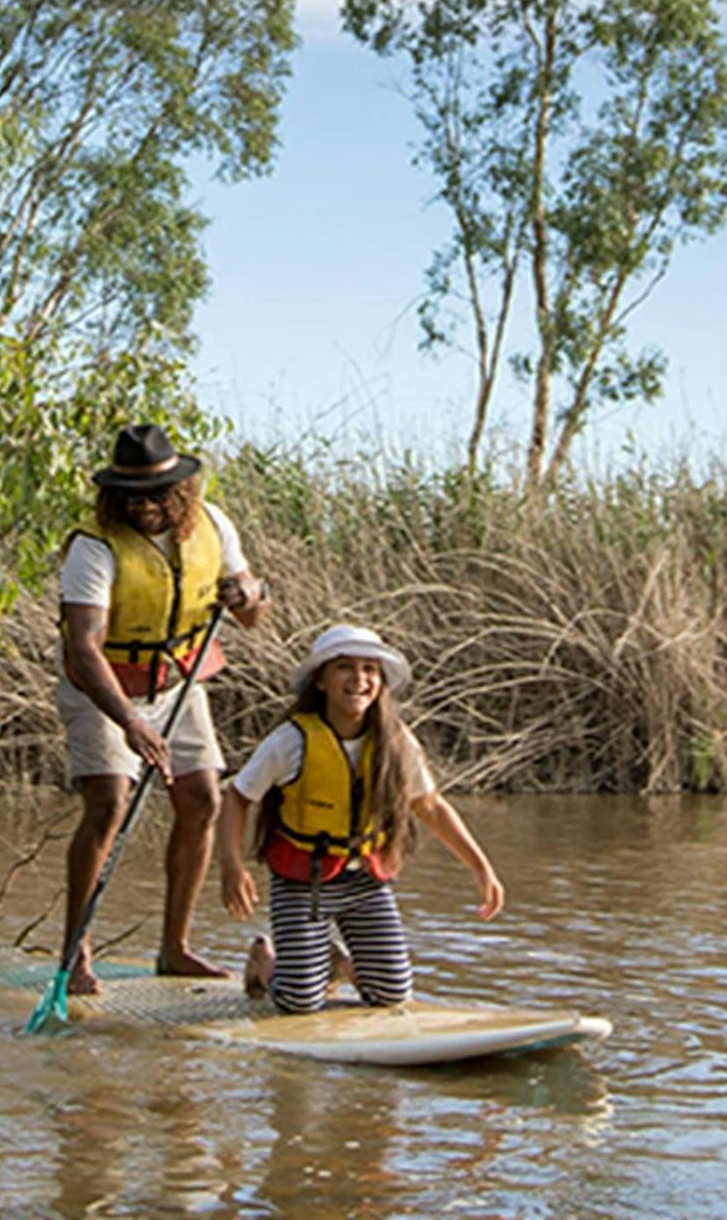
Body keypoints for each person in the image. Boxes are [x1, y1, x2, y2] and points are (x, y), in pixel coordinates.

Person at [56, 423, 269, 995]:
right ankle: (75, 954)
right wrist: (130, 722)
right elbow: (84, 646)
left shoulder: (214, 526)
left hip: (177, 680)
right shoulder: (93, 548)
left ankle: (174, 949)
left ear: (180, 491)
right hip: (101, 687)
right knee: (109, 802)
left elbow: (251, 607)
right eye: (130, 496)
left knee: (201, 797)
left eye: (155, 495)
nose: (144, 507)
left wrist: (248, 595)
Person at [217, 624, 505, 1014]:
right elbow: (236, 798)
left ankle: (336, 964)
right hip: (303, 881)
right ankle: (265, 964)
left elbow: (431, 807)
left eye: (370, 669)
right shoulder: (290, 740)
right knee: (299, 1001)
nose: (359, 680)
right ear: (320, 680)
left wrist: (481, 868)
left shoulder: (396, 739)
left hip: (366, 879)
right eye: (344, 668)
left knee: (392, 995)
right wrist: (232, 866)